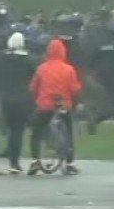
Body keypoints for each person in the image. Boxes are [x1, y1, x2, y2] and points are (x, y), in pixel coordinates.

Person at [27, 38, 83, 176]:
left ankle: (35, 160)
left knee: (36, 132)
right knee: (68, 132)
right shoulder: (69, 69)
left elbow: (33, 87)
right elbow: (75, 89)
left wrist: (37, 97)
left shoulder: (42, 68)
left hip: (45, 105)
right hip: (63, 105)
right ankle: (70, 163)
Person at [0, 32, 38, 174]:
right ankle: (27, 160)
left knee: (13, 130)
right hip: (24, 98)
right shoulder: (29, 59)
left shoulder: (1, 58)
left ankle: (13, 161)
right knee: (22, 129)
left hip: (6, 98)